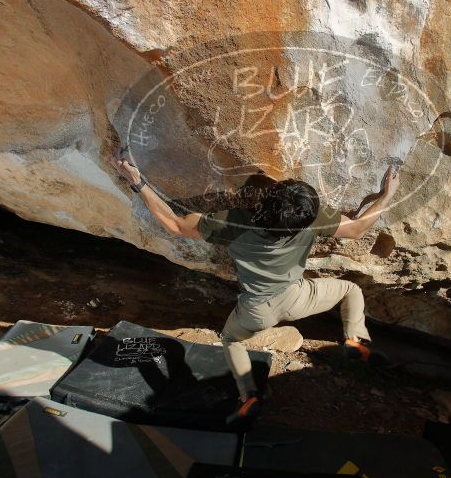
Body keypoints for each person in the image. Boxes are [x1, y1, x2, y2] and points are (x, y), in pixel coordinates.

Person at [111, 152, 400, 424]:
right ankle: (355, 339)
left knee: (232, 340)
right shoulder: (312, 219)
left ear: (267, 200)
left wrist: (138, 182)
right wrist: (386, 195)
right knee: (351, 290)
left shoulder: (233, 223)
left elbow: (175, 225)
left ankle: (248, 394)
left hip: (256, 309)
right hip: (298, 298)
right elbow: (357, 228)